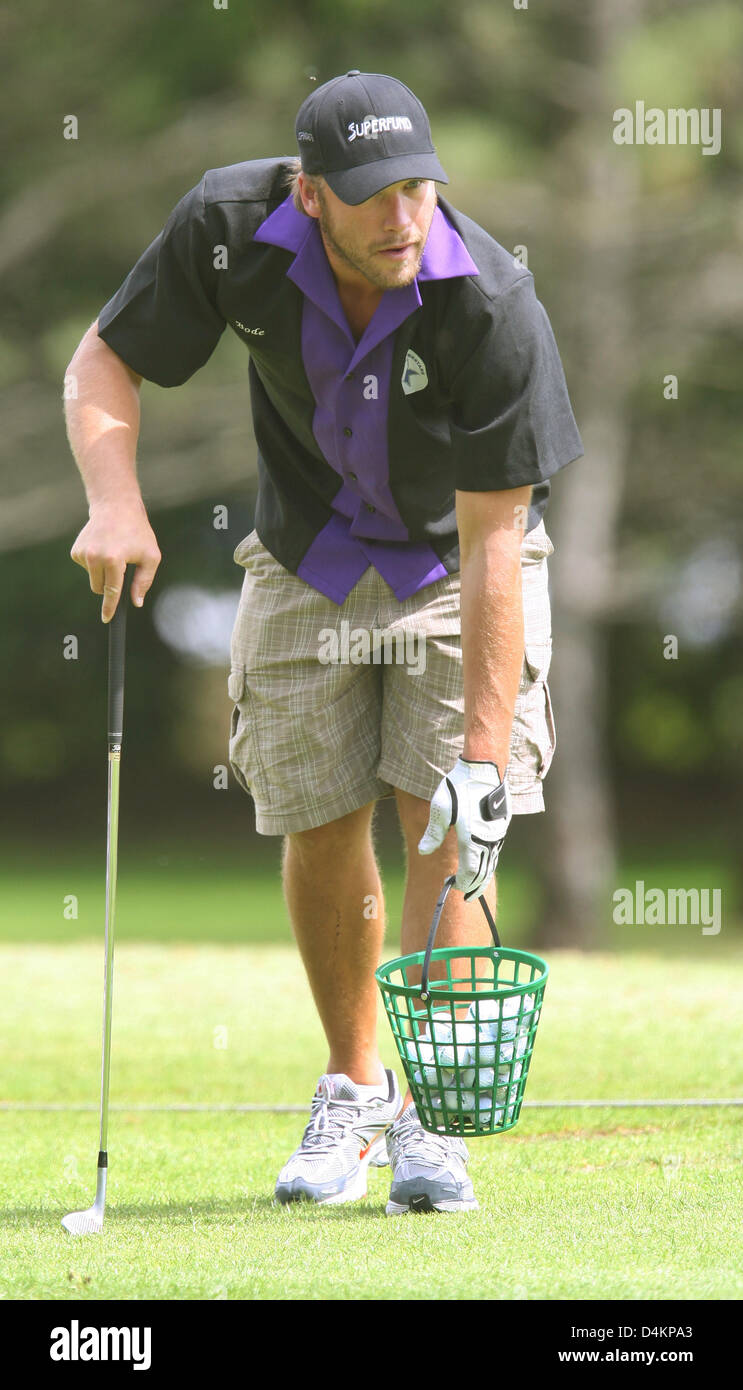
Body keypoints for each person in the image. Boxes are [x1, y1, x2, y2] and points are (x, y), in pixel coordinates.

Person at [65, 70, 583, 1216]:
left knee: (446, 814)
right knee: (313, 816)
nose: (403, 217)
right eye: (371, 195)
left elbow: (500, 540)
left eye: (417, 187)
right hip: (305, 550)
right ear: (309, 196)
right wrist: (114, 501)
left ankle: (428, 1126)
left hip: (456, 566)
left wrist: (486, 758)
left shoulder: (491, 302)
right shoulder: (223, 229)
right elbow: (103, 360)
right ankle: (356, 1089)